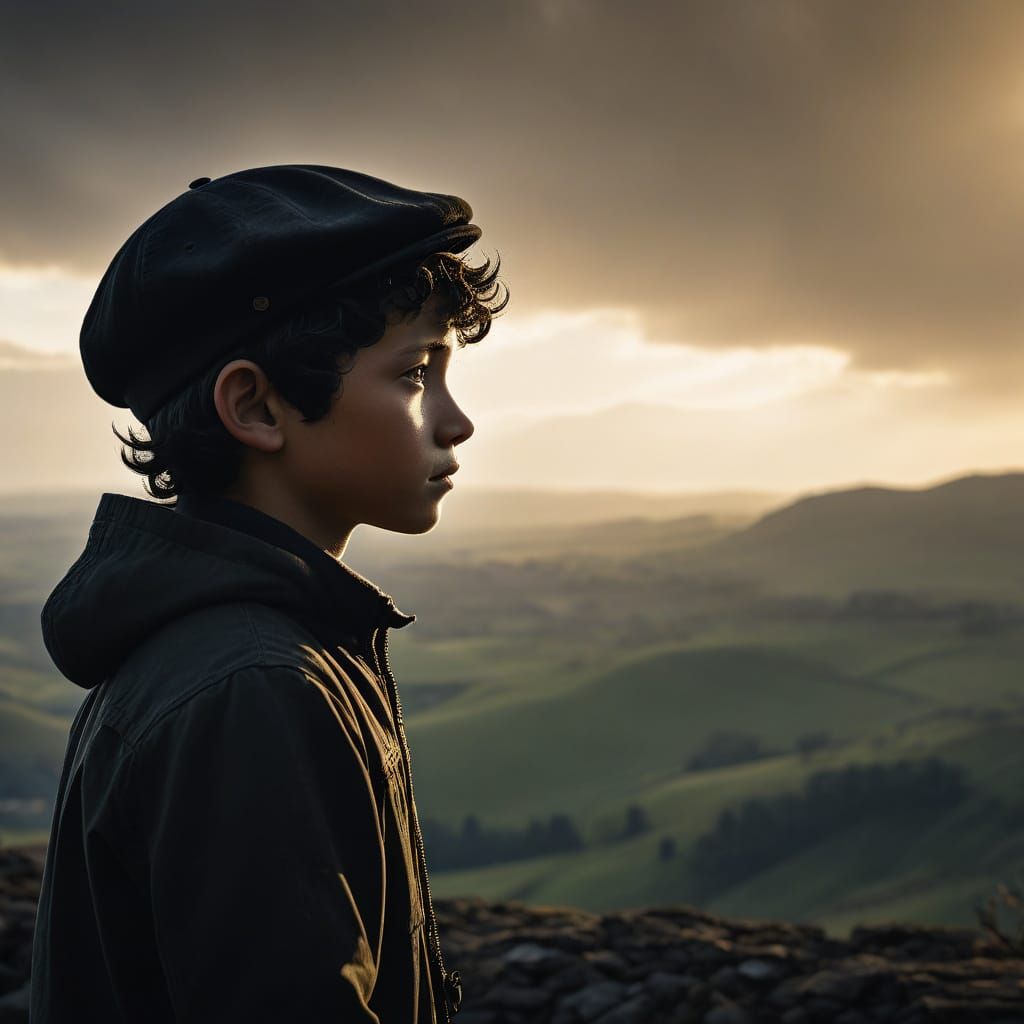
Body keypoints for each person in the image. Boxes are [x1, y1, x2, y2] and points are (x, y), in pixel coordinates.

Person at [30, 164, 508, 1023]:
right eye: (413, 374)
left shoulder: (236, 648)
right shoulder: (253, 686)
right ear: (255, 405)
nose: (455, 420)